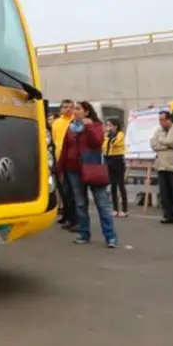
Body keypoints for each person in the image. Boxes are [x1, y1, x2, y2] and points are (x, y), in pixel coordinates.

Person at [57, 100, 120, 248]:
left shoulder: (95, 126)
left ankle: (111, 237)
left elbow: (97, 142)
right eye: (75, 109)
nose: (75, 111)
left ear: (86, 112)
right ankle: (84, 233)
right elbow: (65, 149)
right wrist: (60, 168)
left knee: (102, 204)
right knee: (80, 204)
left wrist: (89, 126)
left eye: (78, 109)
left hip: (92, 169)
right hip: (73, 170)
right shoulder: (71, 128)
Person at [150, 111, 173, 225]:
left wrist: (162, 142)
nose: (161, 122)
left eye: (163, 119)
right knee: (164, 193)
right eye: (159, 120)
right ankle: (169, 216)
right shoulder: (158, 131)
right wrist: (166, 145)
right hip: (161, 166)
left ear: (169, 120)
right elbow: (153, 144)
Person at [52, 100, 77, 229]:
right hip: (59, 159)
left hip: (72, 159)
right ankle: (66, 215)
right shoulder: (56, 123)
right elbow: (54, 141)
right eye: (65, 107)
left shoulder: (75, 122)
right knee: (63, 190)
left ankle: (73, 218)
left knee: (72, 191)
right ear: (61, 109)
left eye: (70, 107)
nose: (68, 109)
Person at [104, 117, 128, 217]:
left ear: (115, 126)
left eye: (110, 125)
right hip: (108, 159)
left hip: (118, 160)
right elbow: (103, 146)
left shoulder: (120, 134)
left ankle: (125, 209)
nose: (107, 127)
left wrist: (111, 136)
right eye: (107, 125)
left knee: (120, 184)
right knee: (113, 185)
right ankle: (114, 208)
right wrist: (108, 137)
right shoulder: (106, 135)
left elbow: (116, 143)